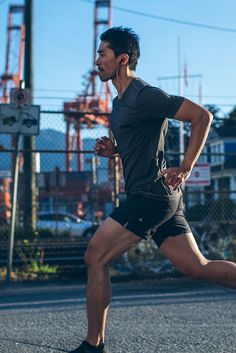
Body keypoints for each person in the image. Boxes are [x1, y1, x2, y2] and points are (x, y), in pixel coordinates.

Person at [69, 27, 236, 353]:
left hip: (152, 195)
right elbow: (139, 140)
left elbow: (202, 117)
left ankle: (93, 345)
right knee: (195, 267)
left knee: (95, 256)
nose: (96, 61)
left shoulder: (144, 94)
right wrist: (112, 151)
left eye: (102, 54)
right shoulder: (119, 103)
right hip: (159, 199)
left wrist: (186, 166)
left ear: (122, 59)